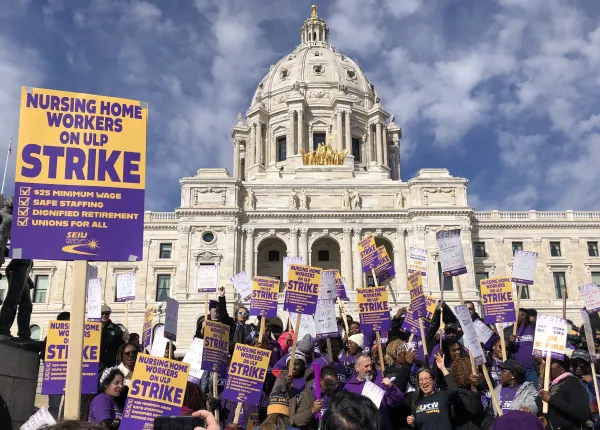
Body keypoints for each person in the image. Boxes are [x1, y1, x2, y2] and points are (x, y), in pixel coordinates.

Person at [343, 353, 403, 430]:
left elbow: (399, 401)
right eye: (366, 366)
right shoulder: (349, 388)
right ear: (357, 367)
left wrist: (391, 387)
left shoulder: (380, 380)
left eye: (370, 365)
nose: (370, 368)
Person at [536, 356, 590, 430]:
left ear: (562, 367)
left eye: (551, 362)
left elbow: (583, 413)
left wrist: (552, 399)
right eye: (546, 362)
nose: (547, 365)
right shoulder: (549, 385)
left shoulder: (572, 383)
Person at [407, 354, 454, 430]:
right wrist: (412, 423)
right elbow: (415, 425)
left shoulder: (442, 396)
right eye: (421, 380)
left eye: (427, 379)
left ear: (433, 380)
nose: (424, 382)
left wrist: (442, 368)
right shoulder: (416, 401)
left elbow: (454, 389)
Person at [42, 311, 70, 420]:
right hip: (56, 376)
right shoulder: (50, 337)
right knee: (54, 406)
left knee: (69, 407)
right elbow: (45, 356)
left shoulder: (78, 337)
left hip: (71, 377)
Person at [294, 365, 342, 429]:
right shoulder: (308, 395)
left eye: (334, 384)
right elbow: (297, 421)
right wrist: (312, 410)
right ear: (320, 380)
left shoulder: (337, 394)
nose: (331, 387)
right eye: (328, 383)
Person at [0, 258, 34, 341]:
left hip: (25, 268)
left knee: (27, 305)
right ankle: (3, 330)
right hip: (18, 266)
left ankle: (24, 334)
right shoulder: (22, 248)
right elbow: (17, 250)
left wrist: (27, 279)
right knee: (13, 300)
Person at [448, 356, 485, 429]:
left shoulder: (475, 388)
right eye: (472, 369)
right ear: (465, 372)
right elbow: (474, 409)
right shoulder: (459, 393)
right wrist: (473, 386)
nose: (476, 372)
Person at [506, 308, 537, 384]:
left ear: (524, 315)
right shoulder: (508, 330)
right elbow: (502, 348)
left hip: (532, 369)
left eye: (516, 314)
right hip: (516, 371)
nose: (513, 316)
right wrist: (508, 340)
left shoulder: (535, 329)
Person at [99, 305, 124, 369]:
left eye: (107, 313)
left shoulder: (116, 329)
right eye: (102, 313)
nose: (104, 315)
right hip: (96, 362)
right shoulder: (92, 327)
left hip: (111, 363)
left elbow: (121, 346)